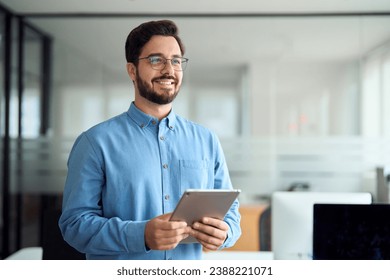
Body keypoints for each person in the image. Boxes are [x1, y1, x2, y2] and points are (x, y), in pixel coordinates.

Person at [59, 19, 241, 260]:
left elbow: (232, 216)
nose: (169, 69)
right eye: (156, 60)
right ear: (132, 70)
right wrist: (141, 234)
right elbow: (74, 225)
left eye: (176, 61)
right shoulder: (95, 143)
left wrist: (225, 232)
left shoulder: (206, 140)